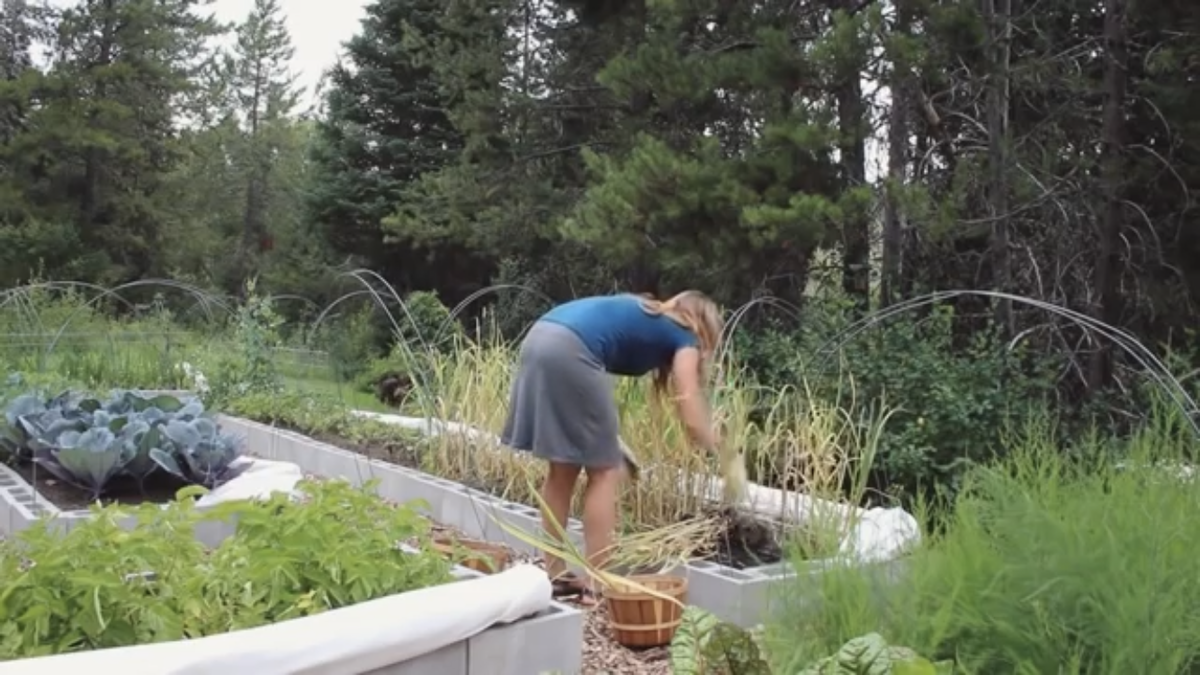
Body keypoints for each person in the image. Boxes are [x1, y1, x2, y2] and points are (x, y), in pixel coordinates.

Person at [500, 290, 724, 606]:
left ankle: (555, 574)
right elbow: (689, 403)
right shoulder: (685, 335)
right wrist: (718, 446)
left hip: (541, 335)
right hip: (571, 348)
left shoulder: (648, 313)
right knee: (605, 471)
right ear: (703, 325)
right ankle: (597, 581)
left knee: (562, 469)